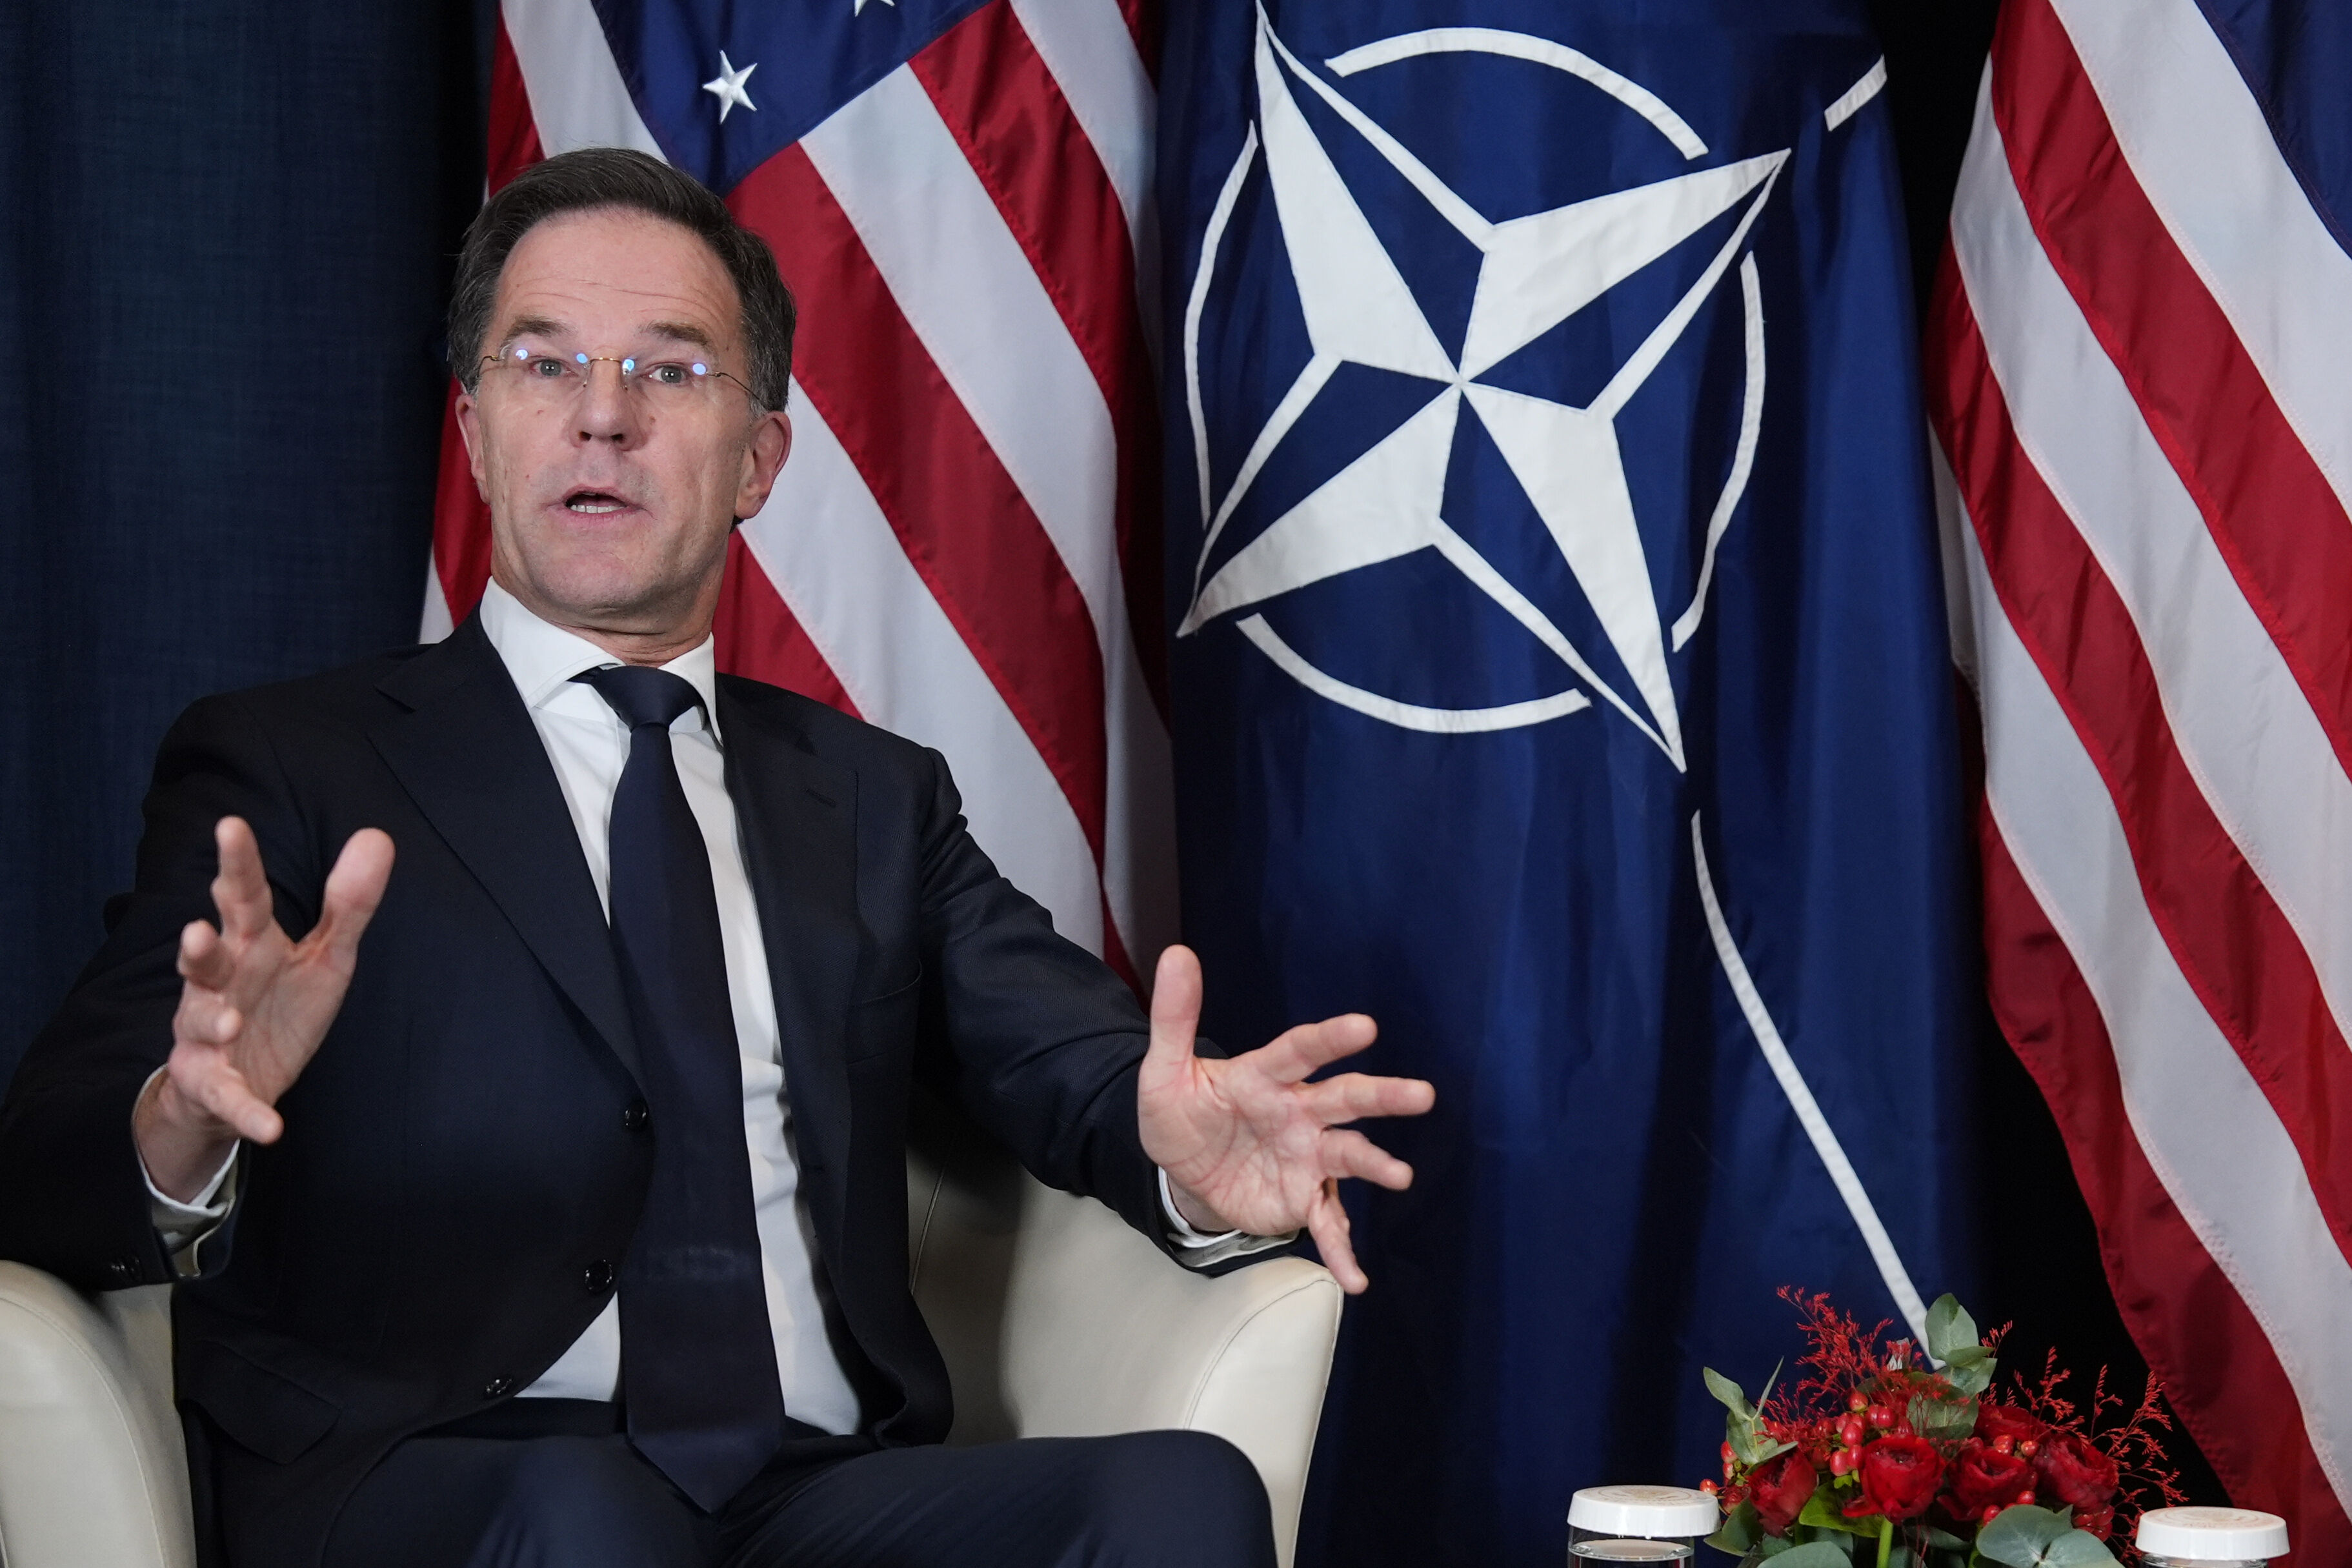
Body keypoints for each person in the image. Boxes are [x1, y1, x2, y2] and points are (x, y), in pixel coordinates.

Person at [0, 148, 1433, 1568]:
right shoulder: (288, 763)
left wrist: (1186, 1156)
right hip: (436, 1471)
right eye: (544, 365)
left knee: (1179, 1494)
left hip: (806, 1491)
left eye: (669, 371)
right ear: (477, 434)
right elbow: (44, 1161)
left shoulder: (872, 801)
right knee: (590, 1514)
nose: (602, 415)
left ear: (757, 461)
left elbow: (1074, 1063)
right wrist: (183, 1122)